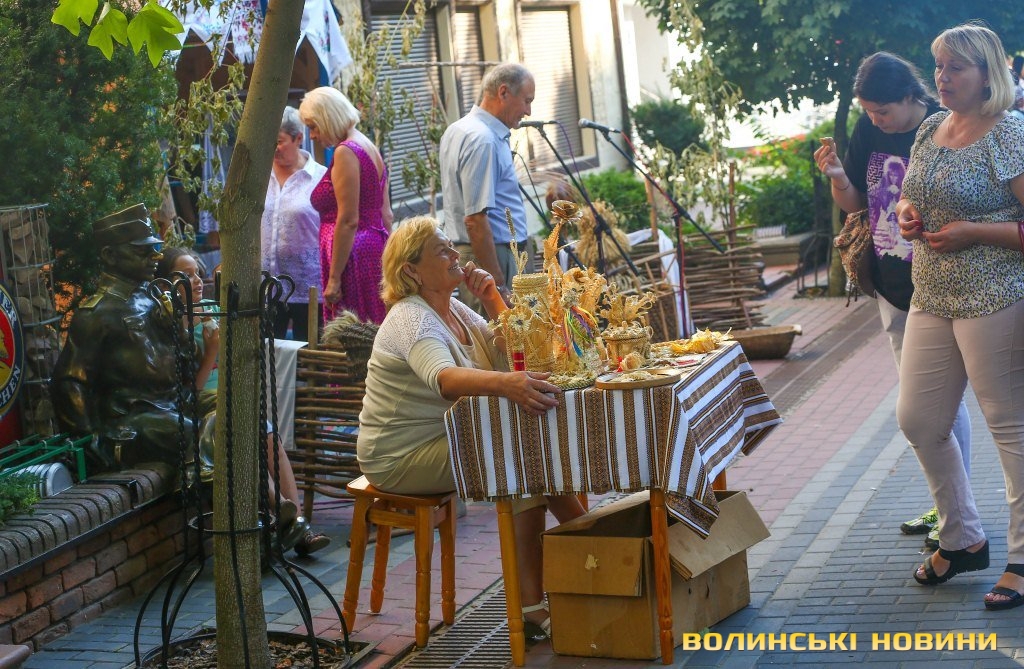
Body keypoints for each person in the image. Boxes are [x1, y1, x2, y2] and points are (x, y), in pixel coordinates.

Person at [357, 216, 585, 639]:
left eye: (451, 246)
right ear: (411, 270)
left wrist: (493, 298)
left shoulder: (455, 309)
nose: (454, 255)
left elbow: (516, 354)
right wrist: (507, 385)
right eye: (442, 250)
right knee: (519, 458)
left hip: (448, 438)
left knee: (528, 451)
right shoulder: (411, 318)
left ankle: (592, 549)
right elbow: (444, 379)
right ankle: (581, 556)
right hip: (400, 456)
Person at [813, 51, 972, 549]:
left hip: (945, 283)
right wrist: (838, 175)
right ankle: (950, 507)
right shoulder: (868, 130)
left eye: (882, 111)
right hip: (892, 284)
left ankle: (959, 513)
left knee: (945, 405)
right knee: (923, 406)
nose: (875, 119)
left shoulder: (944, 125)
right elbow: (857, 204)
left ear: (909, 96)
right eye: (868, 111)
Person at [893, 23, 1024, 610]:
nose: (942, 78)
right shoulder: (930, 128)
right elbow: (911, 192)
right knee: (920, 420)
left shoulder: (1010, 132)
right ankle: (964, 536)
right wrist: (907, 213)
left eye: (955, 68)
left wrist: (974, 231)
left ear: (987, 74)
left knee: (1009, 427)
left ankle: (1022, 560)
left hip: (997, 295)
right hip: (932, 293)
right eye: (939, 66)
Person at [156, 248, 331, 557]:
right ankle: (288, 516)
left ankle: (297, 521)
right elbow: (188, 393)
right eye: (184, 276)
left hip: (232, 399)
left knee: (269, 438)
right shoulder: (171, 329)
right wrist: (211, 351)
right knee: (246, 438)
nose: (195, 281)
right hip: (204, 408)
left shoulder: (215, 310)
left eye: (197, 274)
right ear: (167, 284)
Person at [51, 204, 193, 471]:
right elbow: (69, 382)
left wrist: (178, 330)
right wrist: (91, 439)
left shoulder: (153, 297)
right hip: (134, 420)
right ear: (110, 255)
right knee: (194, 433)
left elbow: (186, 366)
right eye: (142, 251)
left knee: (236, 410)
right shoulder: (96, 313)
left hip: (172, 405)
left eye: (154, 248)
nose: (155, 256)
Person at [439, 63, 535, 313]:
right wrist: (498, 284)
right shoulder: (483, 139)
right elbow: (475, 220)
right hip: (493, 256)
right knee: (504, 333)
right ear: (503, 92)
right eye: (526, 101)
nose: (528, 111)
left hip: (483, 253)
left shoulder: (458, 129)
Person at [299, 87, 392, 325]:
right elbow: (386, 214)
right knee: (372, 325)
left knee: (352, 332)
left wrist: (334, 278)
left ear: (328, 117)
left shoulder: (346, 152)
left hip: (353, 257)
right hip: (372, 249)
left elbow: (349, 219)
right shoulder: (369, 146)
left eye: (313, 126)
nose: (312, 136)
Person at [261, 106, 327, 341]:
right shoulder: (258, 177)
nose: (273, 148)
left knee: (309, 352)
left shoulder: (321, 178)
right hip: (266, 286)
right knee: (267, 353)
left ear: (298, 138)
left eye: (279, 142)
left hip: (309, 286)